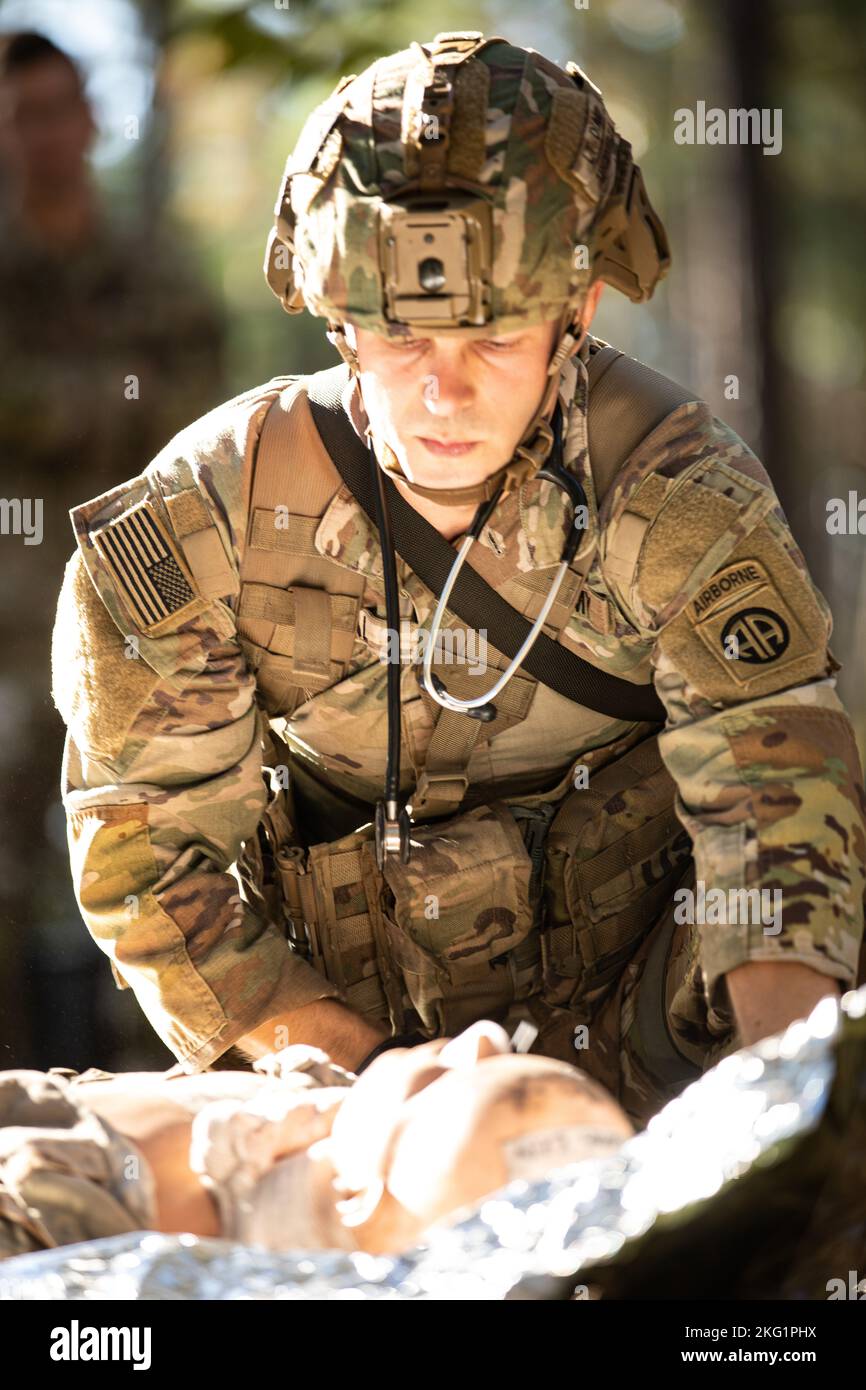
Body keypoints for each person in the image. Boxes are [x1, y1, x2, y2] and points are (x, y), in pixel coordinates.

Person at [50, 32, 866, 1127]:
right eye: (401, 342)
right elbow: (149, 853)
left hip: (658, 1048)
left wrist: (779, 1112)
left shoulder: (670, 491)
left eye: (490, 342)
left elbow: (775, 808)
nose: (443, 394)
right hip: (341, 1075)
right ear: (339, 322)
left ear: (574, 317)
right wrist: (382, 1089)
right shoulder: (205, 523)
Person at [0, 30, 225, 1069]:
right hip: (5, 623)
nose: (44, 136)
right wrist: (103, 409)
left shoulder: (155, 270)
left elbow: (192, 427)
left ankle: (159, 1082)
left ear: (89, 118)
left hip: (130, 609)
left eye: (58, 110)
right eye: (21, 117)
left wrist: (60, 411)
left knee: (149, 834)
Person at [0, 1021, 633, 1260]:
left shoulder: (68, 1236)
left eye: (451, 1080)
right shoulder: (323, 1114)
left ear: (355, 1190)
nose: (483, 1037)